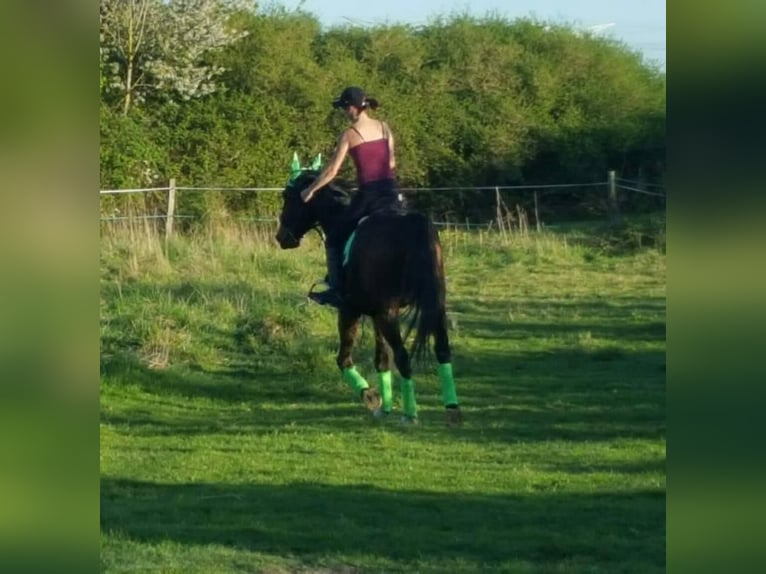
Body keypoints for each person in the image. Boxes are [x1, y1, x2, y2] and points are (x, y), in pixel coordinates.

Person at [301, 86, 403, 307]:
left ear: (351, 108)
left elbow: (332, 171)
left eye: (344, 107)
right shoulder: (385, 128)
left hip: (369, 196)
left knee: (336, 237)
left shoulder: (350, 134)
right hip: (392, 193)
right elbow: (392, 163)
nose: (343, 112)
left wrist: (311, 190)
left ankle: (336, 290)